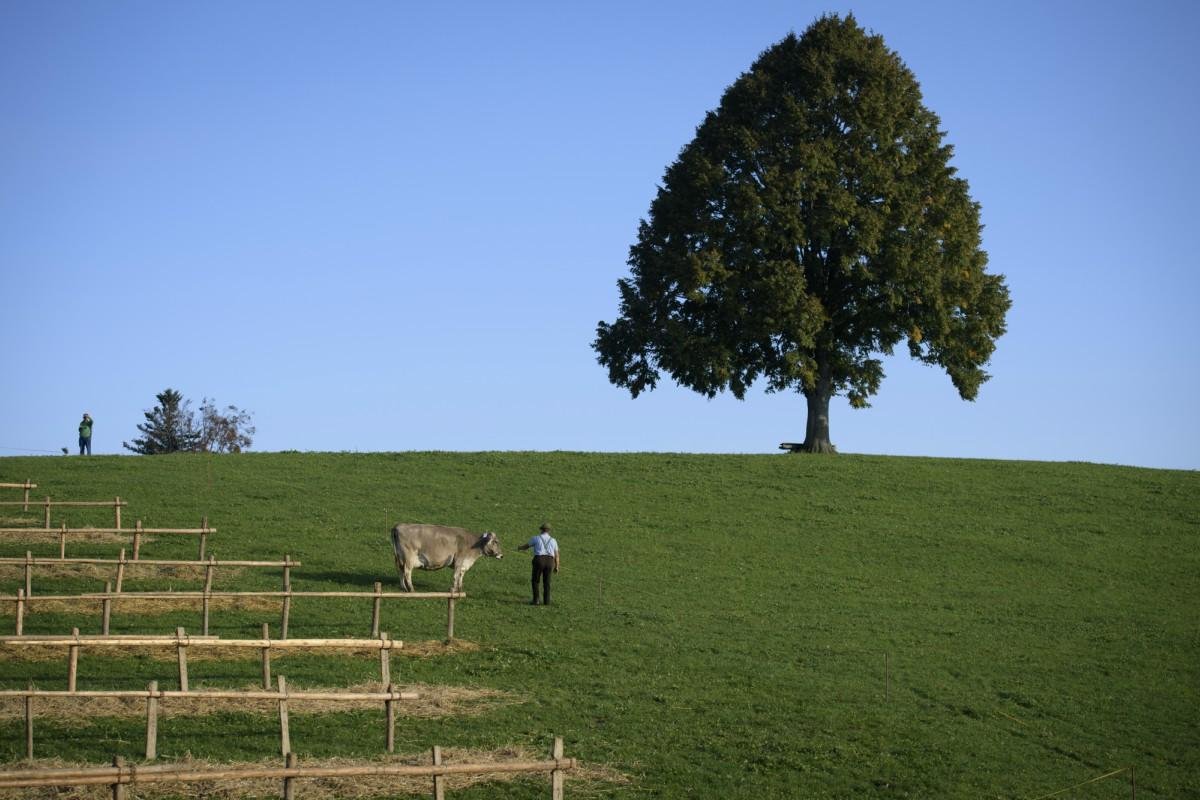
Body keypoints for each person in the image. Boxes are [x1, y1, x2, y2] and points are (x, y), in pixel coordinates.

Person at [518, 522, 559, 605]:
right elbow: (557, 555)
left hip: (539, 560)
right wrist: (557, 566)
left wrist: (520, 548)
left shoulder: (536, 538)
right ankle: (546, 602)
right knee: (547, 582)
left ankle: (536, 600)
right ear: (549, 531)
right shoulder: (553, 540)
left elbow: (527, 546)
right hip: (550, 561)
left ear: (541, 530)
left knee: (536, 580)